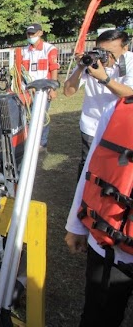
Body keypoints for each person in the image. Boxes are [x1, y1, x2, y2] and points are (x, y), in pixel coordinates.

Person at [65, 99, 133, 327]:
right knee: (99, 317)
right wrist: (76, 226)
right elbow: (92, 166)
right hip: (109, 248)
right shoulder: (116, 109)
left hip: (111, 245)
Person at [63, 29, 133, 179]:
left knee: (116, 168)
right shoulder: (91, 61)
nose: (105, 57)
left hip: (120, 126)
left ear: (125, 48)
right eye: (102, 51)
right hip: (92, 125)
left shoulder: (131, 61)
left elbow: (129, 93)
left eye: (110, 52)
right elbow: (68, 92)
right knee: (88, 166)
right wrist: (81, 67)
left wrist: (104, 78)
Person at [20, 23, 60, 152]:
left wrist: (52, 88)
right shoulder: (24, 51)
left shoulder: (49, 49)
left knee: (42, 116)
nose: (31, 36)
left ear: (40, 33)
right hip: (28, 89)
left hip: (43, 89)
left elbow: (53, 68)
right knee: (26, 116)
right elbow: (21, 70)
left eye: (33, 33)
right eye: (29, 34)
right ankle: (27, 140)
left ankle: (42, 143)